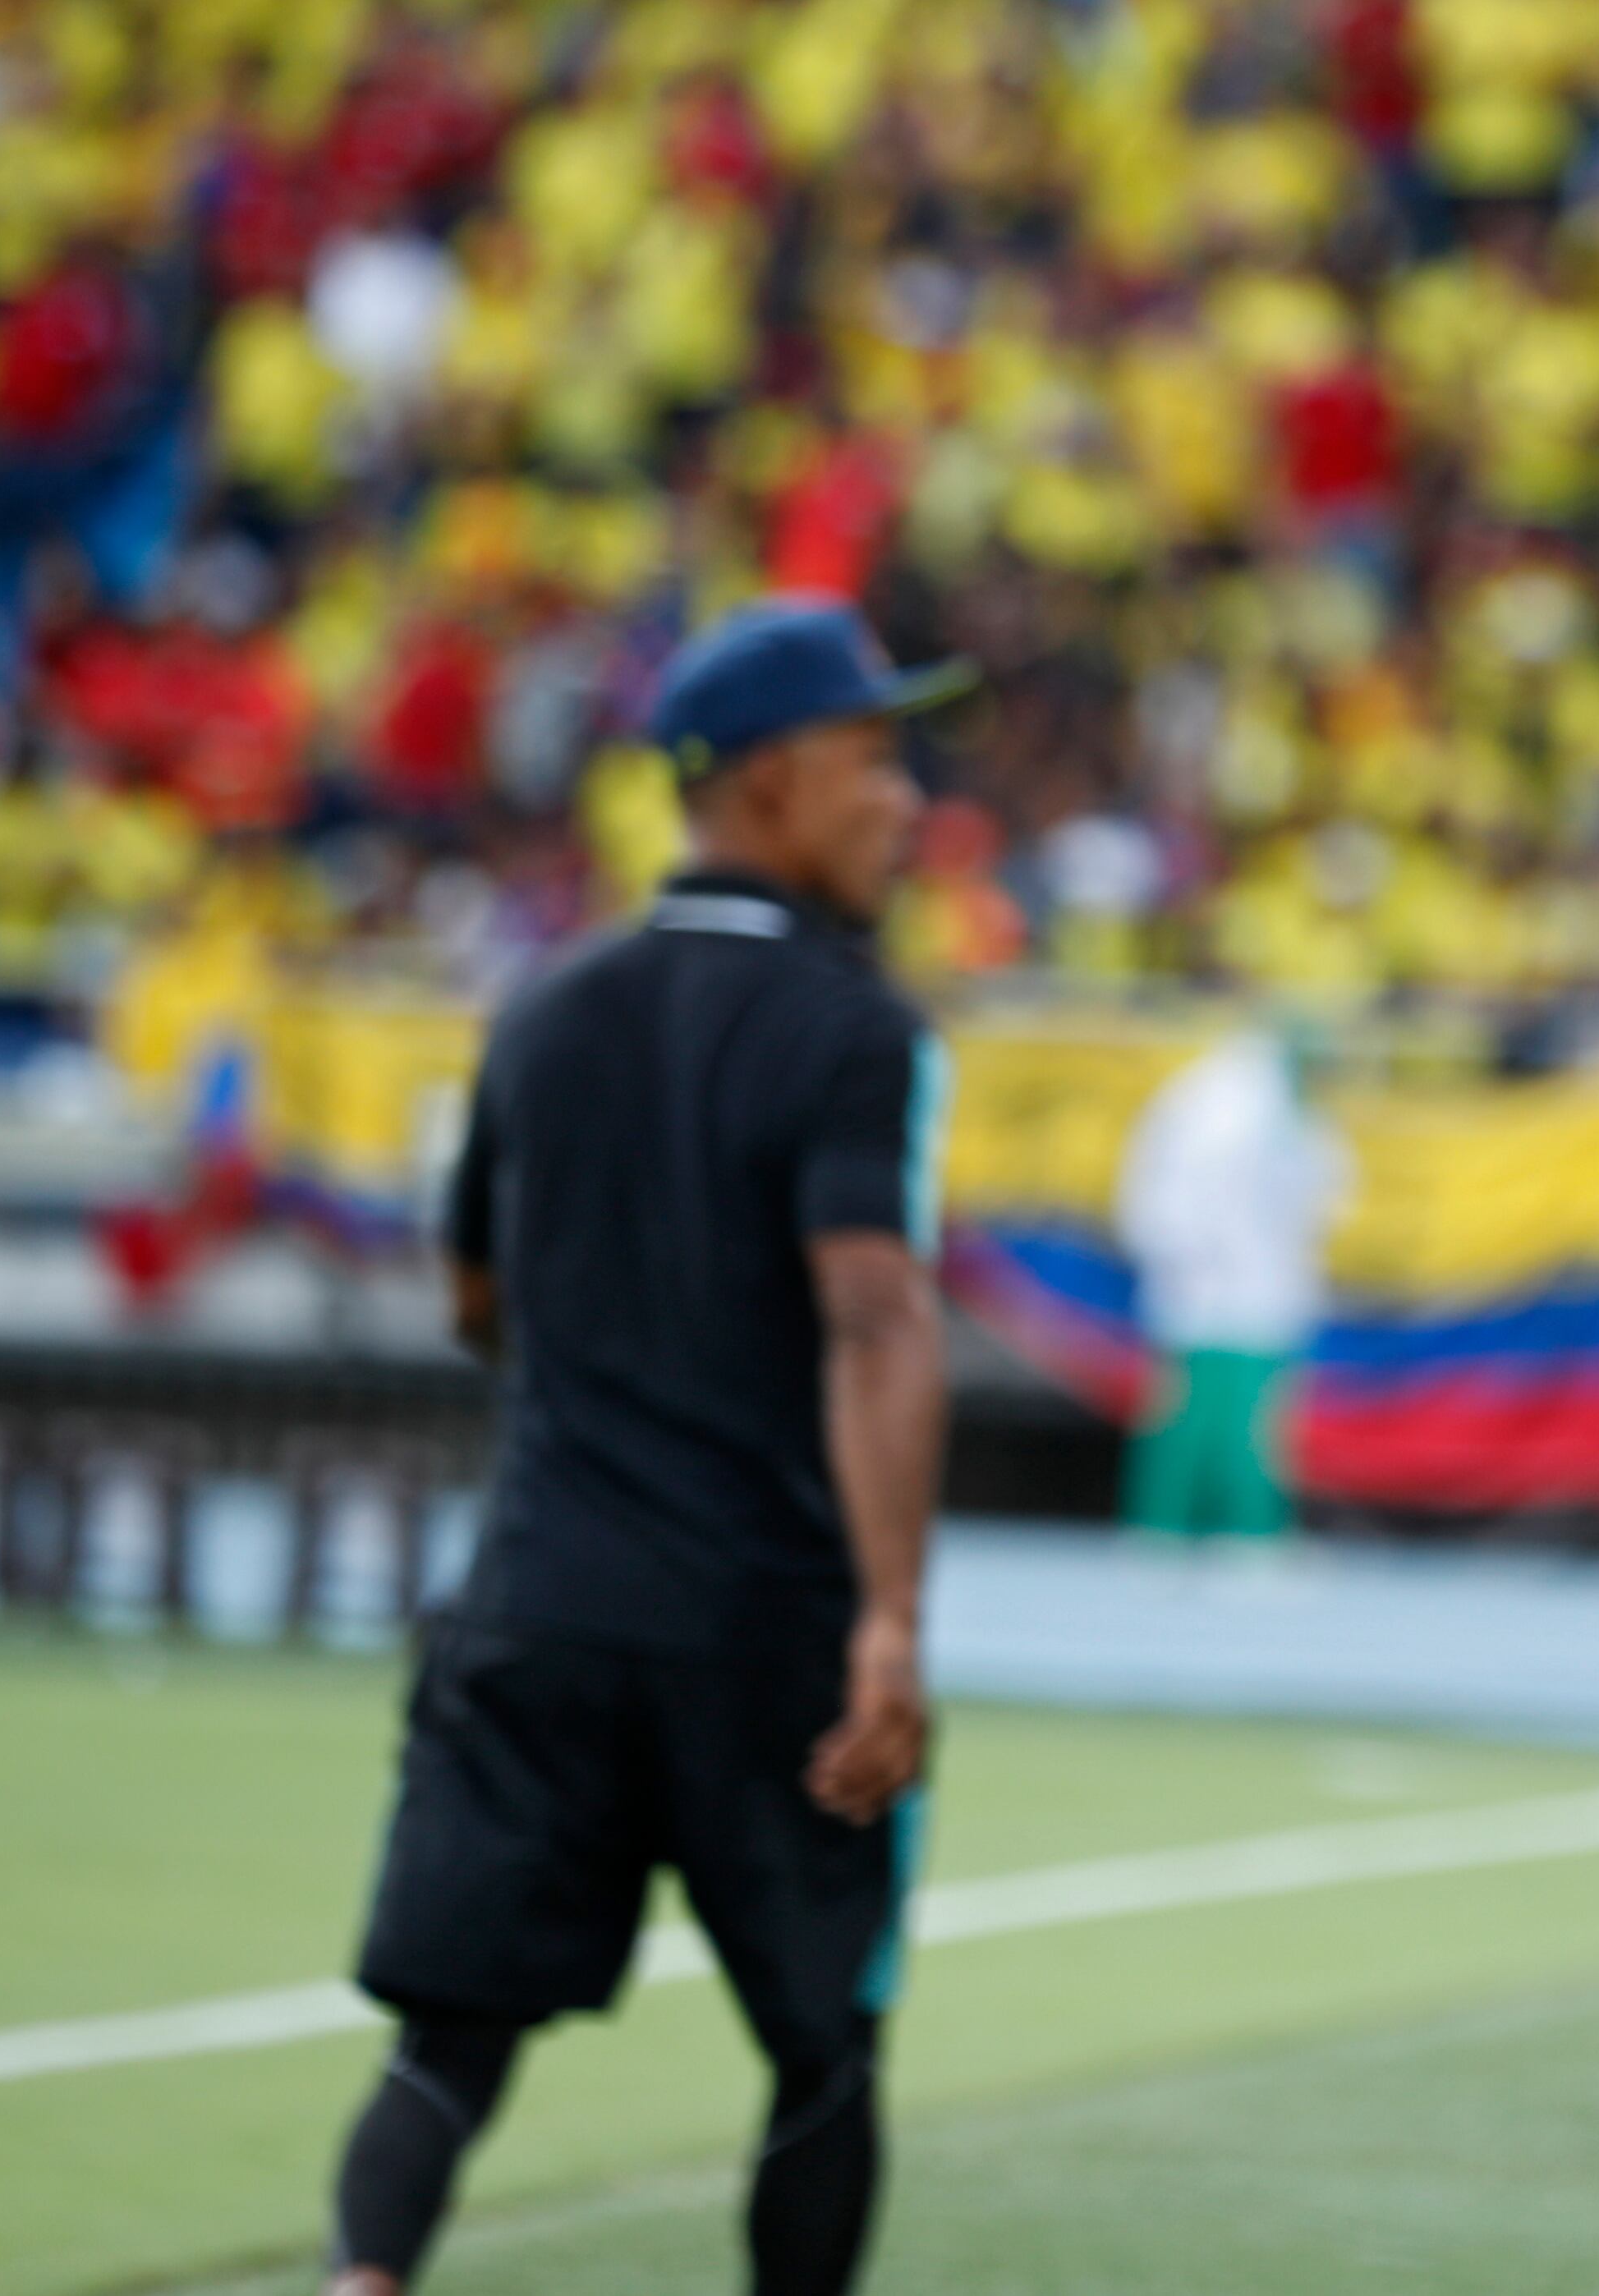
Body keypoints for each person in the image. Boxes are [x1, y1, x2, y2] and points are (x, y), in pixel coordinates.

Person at [321, 600, 969, 2296]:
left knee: (444, 2047)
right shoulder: (854, 1024)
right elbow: (876, 1317)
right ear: (767, 780)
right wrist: (890, 1620)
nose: (905, 801)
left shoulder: (543, 1007)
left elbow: (475, 1292)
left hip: (540, 1600)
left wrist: (614, 1372)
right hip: (766, 1630)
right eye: (872, 759)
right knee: (821, 2057)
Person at [1112, 1024, 1349, 1536]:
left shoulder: (1292, 1111)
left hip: (1258, 1292)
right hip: (1207, 1288)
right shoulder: (1218, 1105)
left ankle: (1244, 1529)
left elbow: (1323, 1195)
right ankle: (1176, 1525)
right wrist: (1198, 1262)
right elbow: (1173, 1200)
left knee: (1255, 1427)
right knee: (1198, 1422)